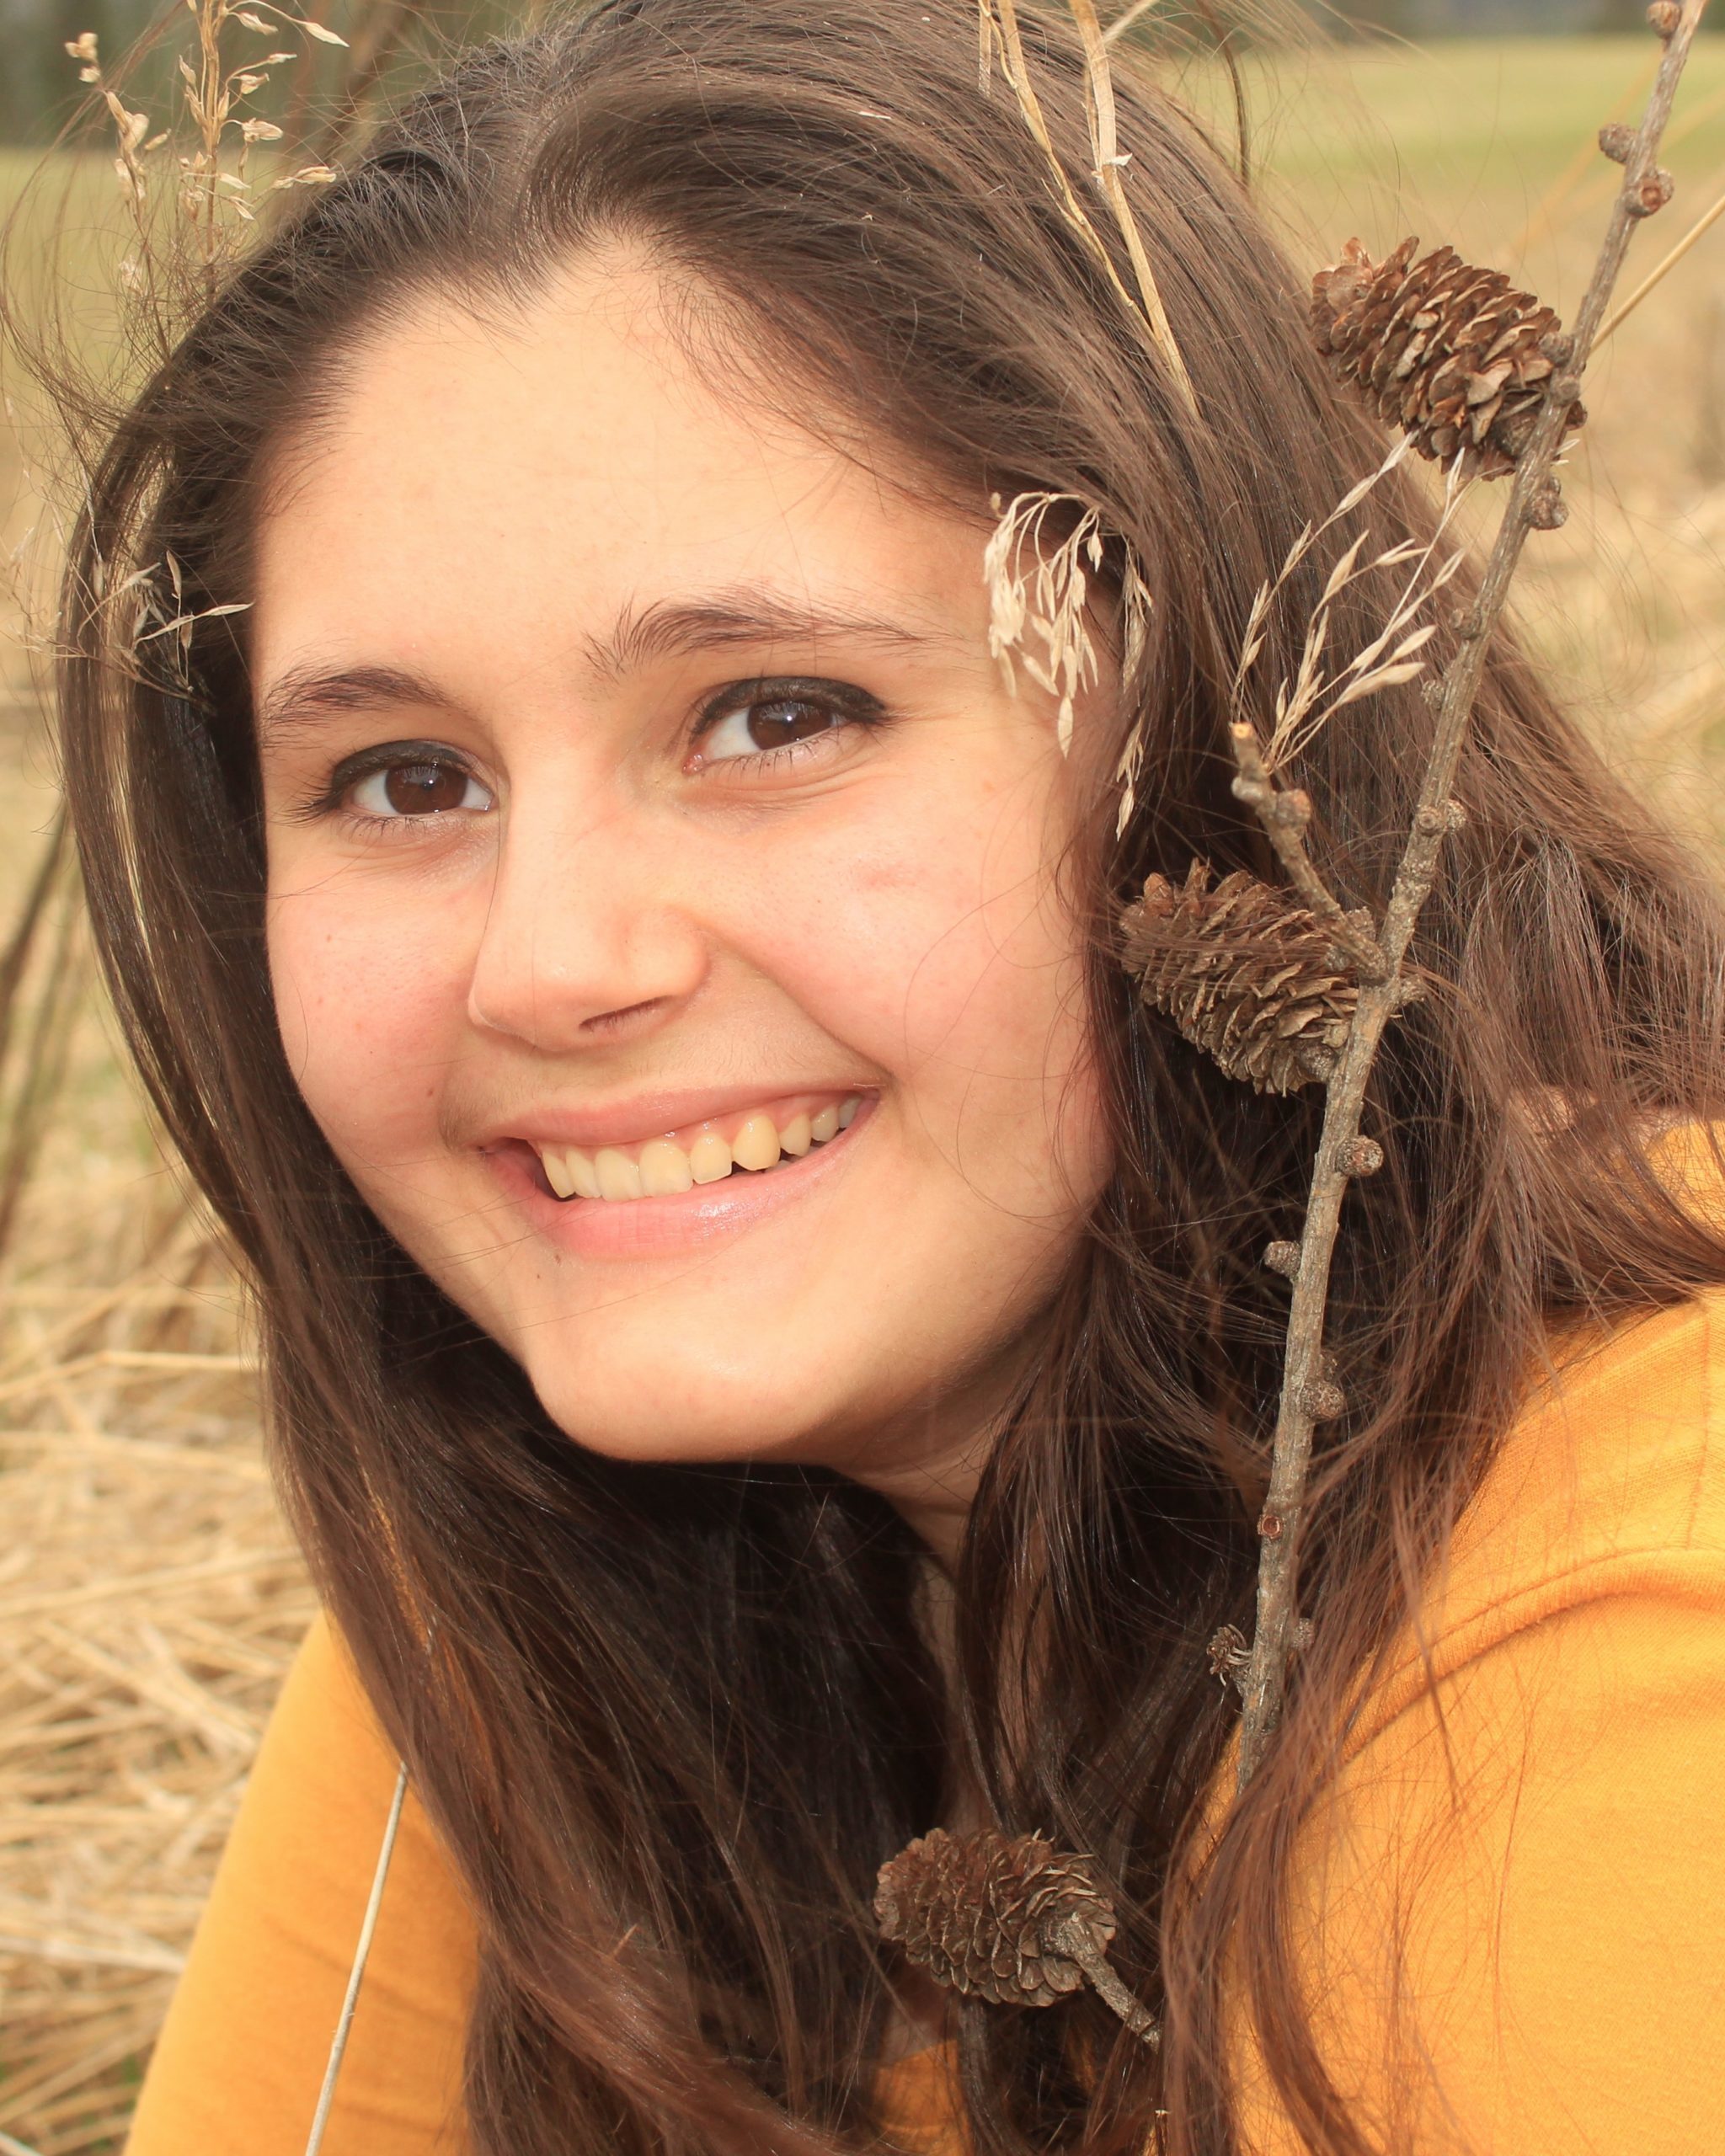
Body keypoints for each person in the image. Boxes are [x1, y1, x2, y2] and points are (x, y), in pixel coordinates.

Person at [46, 3, 1725, 2151]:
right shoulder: (519, 1621)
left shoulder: (1642, 1615)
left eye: (774, 716)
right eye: (401, 775)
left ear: (1226, 740)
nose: (553, 961)